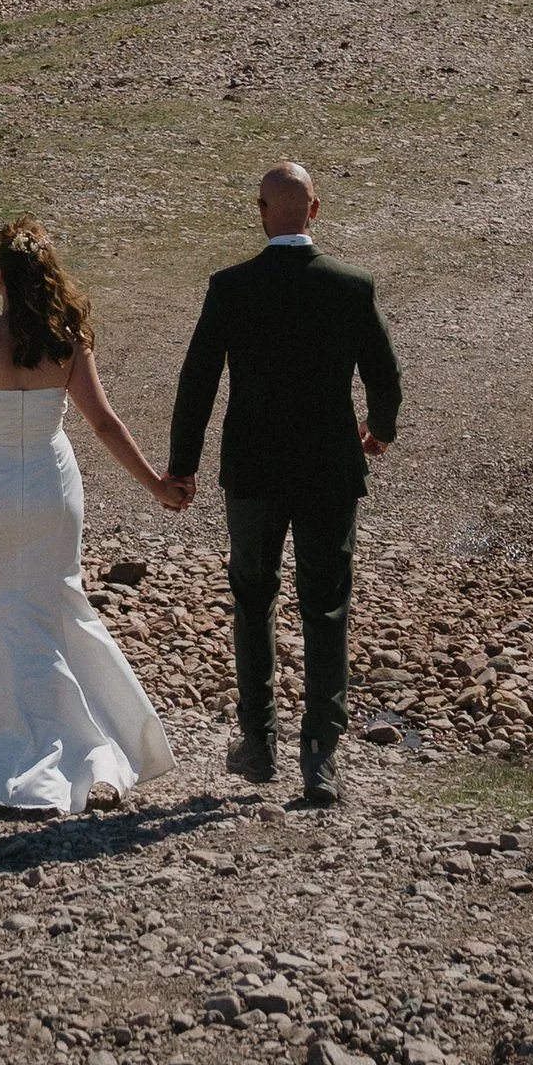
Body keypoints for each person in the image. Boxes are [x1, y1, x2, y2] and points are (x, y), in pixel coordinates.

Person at [0, 217, 184, 815]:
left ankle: (9, 749)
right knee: (60, 601)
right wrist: (155, 486)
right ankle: (99, 745)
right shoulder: (68, 339)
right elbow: (103, 422)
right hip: (50, 480)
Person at [165, 159, 401, 807]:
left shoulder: (231, 287)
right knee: (326, 607)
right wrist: (380, 429)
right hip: (329, 468)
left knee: (253, 601)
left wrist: (181, 464)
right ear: (315, 212)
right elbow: (384, 374)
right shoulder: (351, 287)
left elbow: (199, 382)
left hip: (254, 471)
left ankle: (259, 743)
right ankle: (320, 758)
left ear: (262, 211)